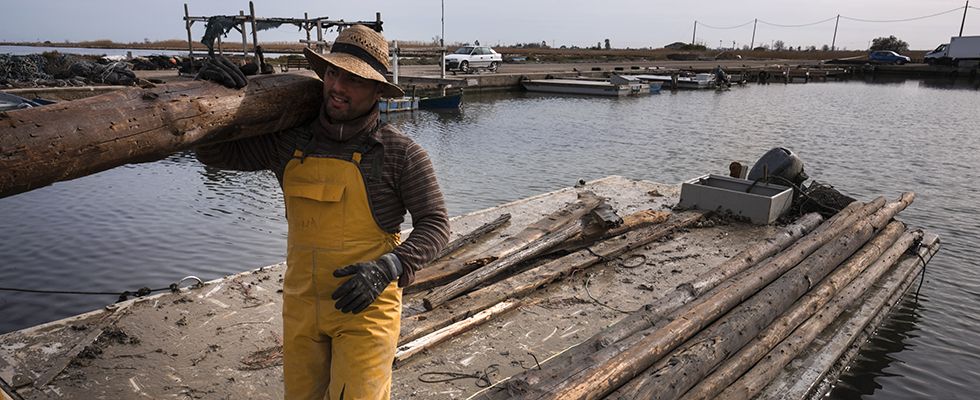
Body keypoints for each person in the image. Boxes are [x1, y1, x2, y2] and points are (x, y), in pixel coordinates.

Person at [194, 24, 450, 400]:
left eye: (355, 79)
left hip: (366, 309)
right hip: (301, 307)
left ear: (378, 89)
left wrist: (388, 268)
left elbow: (436, 225)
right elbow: (213, 154)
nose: (338, 87)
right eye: (334, 73)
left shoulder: (400, 154)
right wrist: (211, 99)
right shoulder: (287, 141)